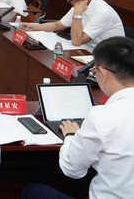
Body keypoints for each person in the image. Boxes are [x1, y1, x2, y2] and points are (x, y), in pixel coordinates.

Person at [22, 36, 134, 199]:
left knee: (32, 190)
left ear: (104, 73)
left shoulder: (102, 116)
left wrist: (70, 134)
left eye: (94, 71)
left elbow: (72, 169)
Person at [22, 0, 124, 49]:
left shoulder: (103, 12)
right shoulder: (79, 3)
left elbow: (77, 41)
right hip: (87, 50)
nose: (68, 2)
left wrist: (77, 14)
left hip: (111, 57)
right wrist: (31, 26)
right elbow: (58, 25)